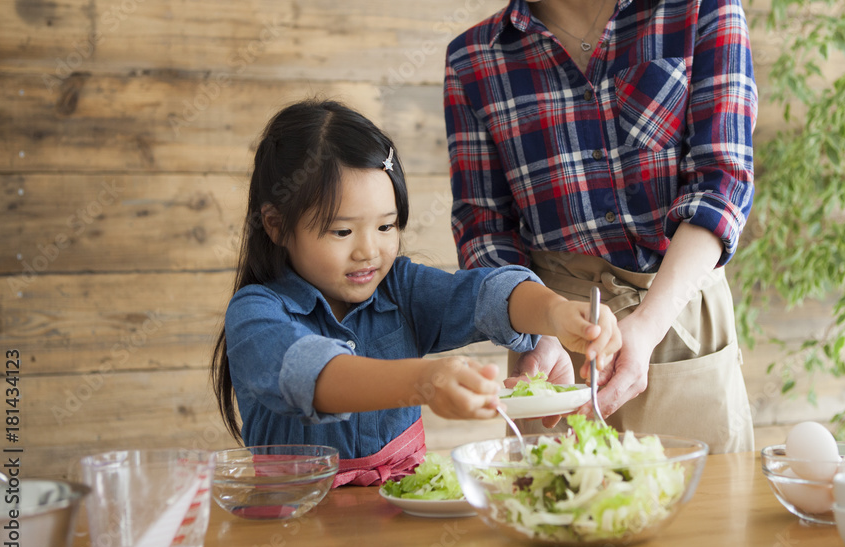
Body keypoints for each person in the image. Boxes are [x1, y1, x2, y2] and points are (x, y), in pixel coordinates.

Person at [429, 0, 757, 453]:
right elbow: (484, 230)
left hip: (677, 319)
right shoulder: (474, 61)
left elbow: (720, 185)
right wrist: (536, 334)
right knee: (557, 517)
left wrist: (648, 326)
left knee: (701, 525)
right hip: (552, 346)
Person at [211, 99, 621, 486]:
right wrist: (425, 380)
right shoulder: (255, 313)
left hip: (402, 508)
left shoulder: (402, 288)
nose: (369, 251)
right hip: (293, 516)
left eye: (386, 227)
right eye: (342, 231)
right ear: (276, 225)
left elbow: (487, 295)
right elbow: (315, 377)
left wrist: (556, 313)